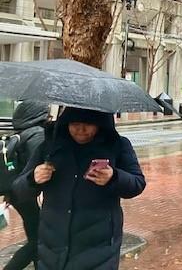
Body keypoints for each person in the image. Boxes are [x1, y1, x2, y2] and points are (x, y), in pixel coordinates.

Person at [13, 107, 146, 270]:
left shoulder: (117, 145)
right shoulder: (50, 146)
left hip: (99, 249)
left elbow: (137, 183)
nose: (81, 130)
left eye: (88, 124)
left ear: (100, 124)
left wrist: (115, 177)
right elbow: (18, 191)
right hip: (52, 248)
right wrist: (33, 178)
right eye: (75, 124)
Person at [4, 101, 48, 270]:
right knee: (39, 239)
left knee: (34, 233)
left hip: (16, 191)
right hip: (26, 191)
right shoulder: (37, 135)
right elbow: (36, 166)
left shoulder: (21, 133)